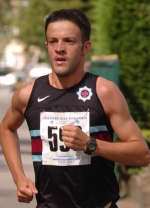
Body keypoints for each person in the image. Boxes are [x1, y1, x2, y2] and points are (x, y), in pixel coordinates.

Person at [0, 8, 150, 208]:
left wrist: (90, 144)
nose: (59, 48)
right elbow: (6, 128)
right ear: (46, 45)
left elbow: (142, 153)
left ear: (85, 47)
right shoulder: (28, 94)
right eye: (53, 41)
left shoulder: (104, 92)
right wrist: (19, 178)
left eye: (69, 41)